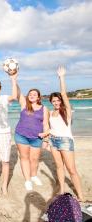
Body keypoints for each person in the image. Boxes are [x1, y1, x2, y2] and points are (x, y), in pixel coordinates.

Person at [48, 66, 84, 201]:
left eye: (58, 100)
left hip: (65, 141)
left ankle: (80, 196)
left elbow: (63, 93)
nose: (56, 102)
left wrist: (61, 77)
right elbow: (48, 128)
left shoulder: (67, 111)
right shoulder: (51, 113)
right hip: (53, 141)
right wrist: (46, 140)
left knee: (71, 169)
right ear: (51, 102)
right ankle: (62, 190)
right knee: (59, 167)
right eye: (54, 101)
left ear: (61, 101)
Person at [15, 85, 49, 191]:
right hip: (21, 135)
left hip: (37, 137)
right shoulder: (24, 104)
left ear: (38, 97)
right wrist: (14, 79)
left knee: (34, 159)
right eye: (30, 94)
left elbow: (46, 124)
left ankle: (34, 176)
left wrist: (46, 138)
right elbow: (18, 93)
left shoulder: (44, 108)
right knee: (24, 157)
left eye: (34, 94)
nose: (32, 95)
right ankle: (28, 180)